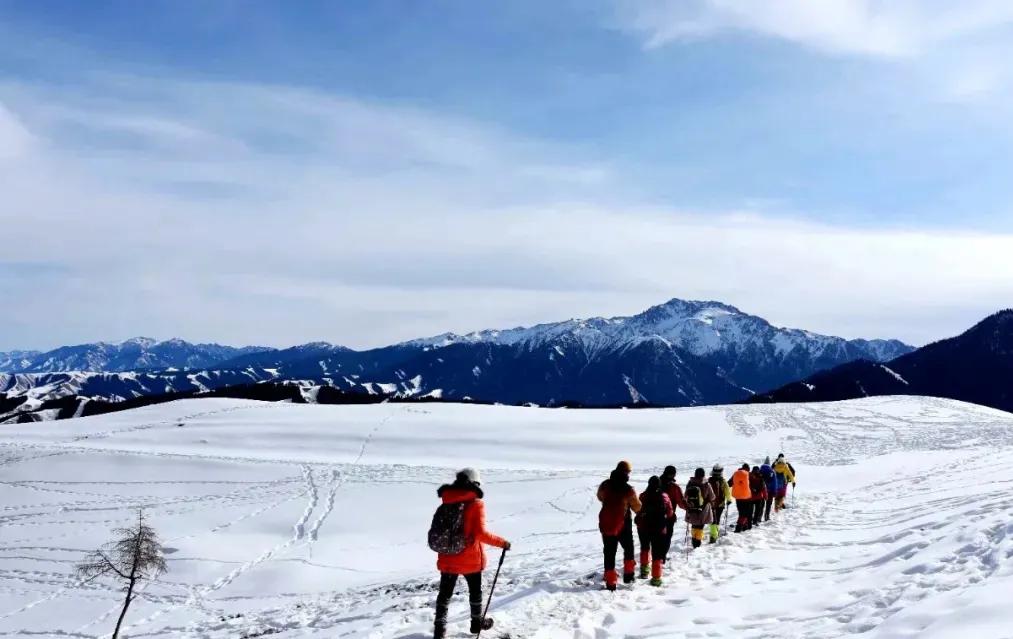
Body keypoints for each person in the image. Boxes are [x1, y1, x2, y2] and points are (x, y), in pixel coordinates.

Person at [434, 468, 511, 639]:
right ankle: (477, 624)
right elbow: (480, 534)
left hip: (448, 557)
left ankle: (439, 631)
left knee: (444, 596)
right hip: (470, 559)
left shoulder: (447, 501)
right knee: (475, 592)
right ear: (475, 483)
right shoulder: (476, 504)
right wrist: (503, 543)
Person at [598, 460, 642, 590]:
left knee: (609, 552)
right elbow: (637, 507)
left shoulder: (605, 485)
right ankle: (628, 575)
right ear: (627, 472)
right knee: (628, 548)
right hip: (624, 524)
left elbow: (600, 497)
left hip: (606, 522)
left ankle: (610, 582)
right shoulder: (628, 489)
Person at [635, 476, 674, 586]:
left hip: (643, 527)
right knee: (657, 554)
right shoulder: (665, 496)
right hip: (659, 528)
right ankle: (656, 578)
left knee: (645, 548)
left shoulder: (643, 495)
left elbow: (638, 510)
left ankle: (644, 572)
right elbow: (670, 513)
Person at [684, 468, 717, 549]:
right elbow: (712, 497)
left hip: (691, 508)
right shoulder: (706, 484)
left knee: (694, 525)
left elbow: (685, 496)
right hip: (703, 509)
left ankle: (694, 540)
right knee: (700, 526)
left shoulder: (690, 483)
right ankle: (697, 542)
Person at [660, 466, 687, 556]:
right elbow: (681, 502)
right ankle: (662, 558)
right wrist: (689, 508)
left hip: (654, 516)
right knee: (667, 537)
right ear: (673, 474)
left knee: (657, 538)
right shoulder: (674, 487)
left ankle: (656, 557)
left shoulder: (655, 483)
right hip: (669, 517)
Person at [706, 464, 732, 543]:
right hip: (720, 504)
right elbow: (727, 491)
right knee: (717, 518)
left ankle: (714, 534)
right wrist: (729, 500)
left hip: (710, 504)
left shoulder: (709, 480)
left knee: (711, 519)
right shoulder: (722, 481)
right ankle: (714, 534)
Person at [730, 463, 752, 532]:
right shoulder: (748, 474)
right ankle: (739, 527)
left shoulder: (736, 474)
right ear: (747, 469)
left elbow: (729, 483)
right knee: (746, 513)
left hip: (738, 497)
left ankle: (744, 526)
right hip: (747, 497)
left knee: (741, 512)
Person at [760, 456, 779, 521]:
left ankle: (759, 517)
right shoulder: (772, 471)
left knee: (761, 505)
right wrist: (774, 491)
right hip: (770, 491)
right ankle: (766, 516)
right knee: (768, 504)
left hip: (761, 490)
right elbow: (774, 482)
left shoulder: (760, 470)